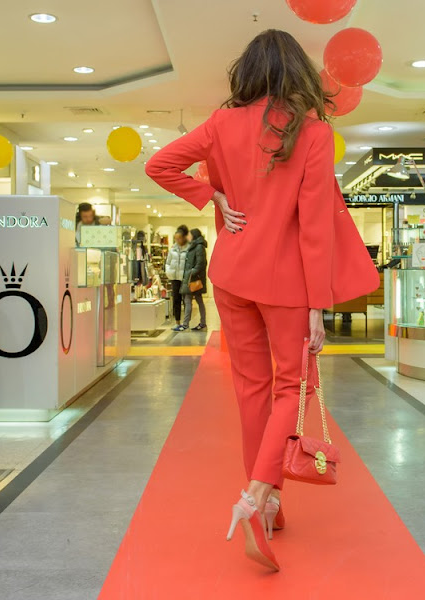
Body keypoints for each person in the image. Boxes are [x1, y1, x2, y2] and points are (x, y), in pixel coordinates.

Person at [145, 29, 378, 571]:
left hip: (231, 275)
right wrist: (318, 304)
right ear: (298, 73)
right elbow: (314, 226)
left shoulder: (221, 123)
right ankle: (255, 496)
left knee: (251, 391)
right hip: (288, 283)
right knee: (293, 387)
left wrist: (212, 195)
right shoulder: (312, 132)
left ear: (246, 72)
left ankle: (270, 504)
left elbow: (159, 165)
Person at [180, 228, 207, 331]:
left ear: (194, 235)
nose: (188, 237)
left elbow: (201, 263)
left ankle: (187, 324)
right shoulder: (194, 246)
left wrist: (191, 272)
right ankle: (199, 323)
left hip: (194, 279)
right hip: (192, 278)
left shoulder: (198, 247)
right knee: (194, 300)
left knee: (190, 300)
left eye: (189, 235)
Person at [165, 226, 189, 331]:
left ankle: (186, 323)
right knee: (176, 300)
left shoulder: (188, 249)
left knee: (186, 300)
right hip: (174, 278)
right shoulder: (172, 250)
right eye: (176, 238)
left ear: (184, 238)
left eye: (179, 238)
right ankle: (177, 322)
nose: (177, 240)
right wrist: (168, 272)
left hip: (184, 278)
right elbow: (167, 262)